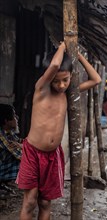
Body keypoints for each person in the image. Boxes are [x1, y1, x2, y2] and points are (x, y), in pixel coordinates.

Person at [16, 42, 101, 220]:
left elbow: (96, 80)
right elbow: (55, 65)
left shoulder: (68, 92)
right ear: (48, 78)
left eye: (65, 79)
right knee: (30, 201)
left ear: (71, 77)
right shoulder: (42, 89)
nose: (61, 85)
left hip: (53, 156)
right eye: (56, 80)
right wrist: (64, 46)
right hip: (33, 152)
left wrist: (77, 56)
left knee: (46, 203)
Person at [0, 104, 22, 197]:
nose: (17, 118)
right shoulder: (2, 136)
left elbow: (19, 142)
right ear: (6, 121)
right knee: (29, 161)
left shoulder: (8, 131)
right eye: (14, 116)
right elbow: (20, 155)